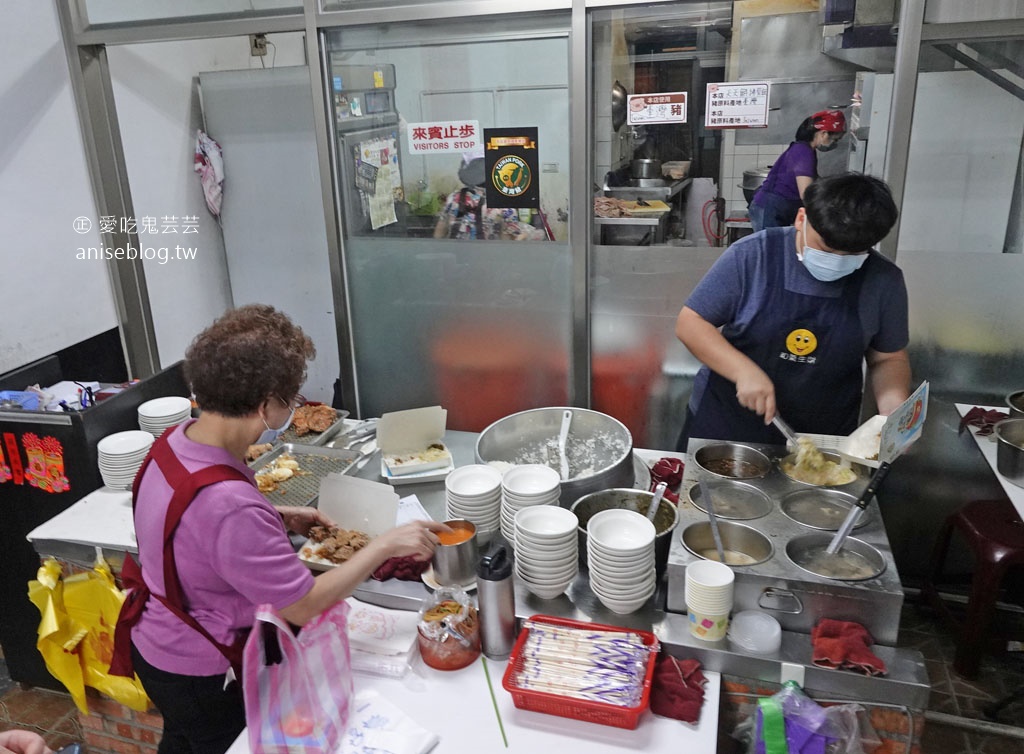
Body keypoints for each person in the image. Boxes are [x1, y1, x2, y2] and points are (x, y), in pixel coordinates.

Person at [116, 304, 448, 754]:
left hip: (156, 647)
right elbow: (302, 607)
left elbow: (190, 526)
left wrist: (275, 516)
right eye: (290, 402)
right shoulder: (229, 506)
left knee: (182, 742)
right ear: (264, 404)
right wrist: (384, 544)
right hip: (206, 671)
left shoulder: (173, 443)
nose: (291, 411)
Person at [675, 172, 910, 451]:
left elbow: (888, 358)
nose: (837, 261)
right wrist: (743, 371)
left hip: (822, 436)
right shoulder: (753, 256)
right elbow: (691, 322)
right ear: (801, 219)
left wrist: (892, 414)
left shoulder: (884, 280)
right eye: (827, 248)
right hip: (728, 425)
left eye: (853, 254)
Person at [748, 109, 847, 232]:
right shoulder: (803, 152)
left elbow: (814, 181)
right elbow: (806, 193)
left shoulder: (806, 149)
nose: (834, 144)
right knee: (771, 249)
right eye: (835, 139)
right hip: (770, 209)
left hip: (776, 208)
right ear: (823, 133)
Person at [433, 150, 547, 241]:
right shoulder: (503, 204)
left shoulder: (454, 197)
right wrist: (530, 234)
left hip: (457, 262)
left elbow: (439, 234)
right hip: (488, 263)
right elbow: (508, 241)